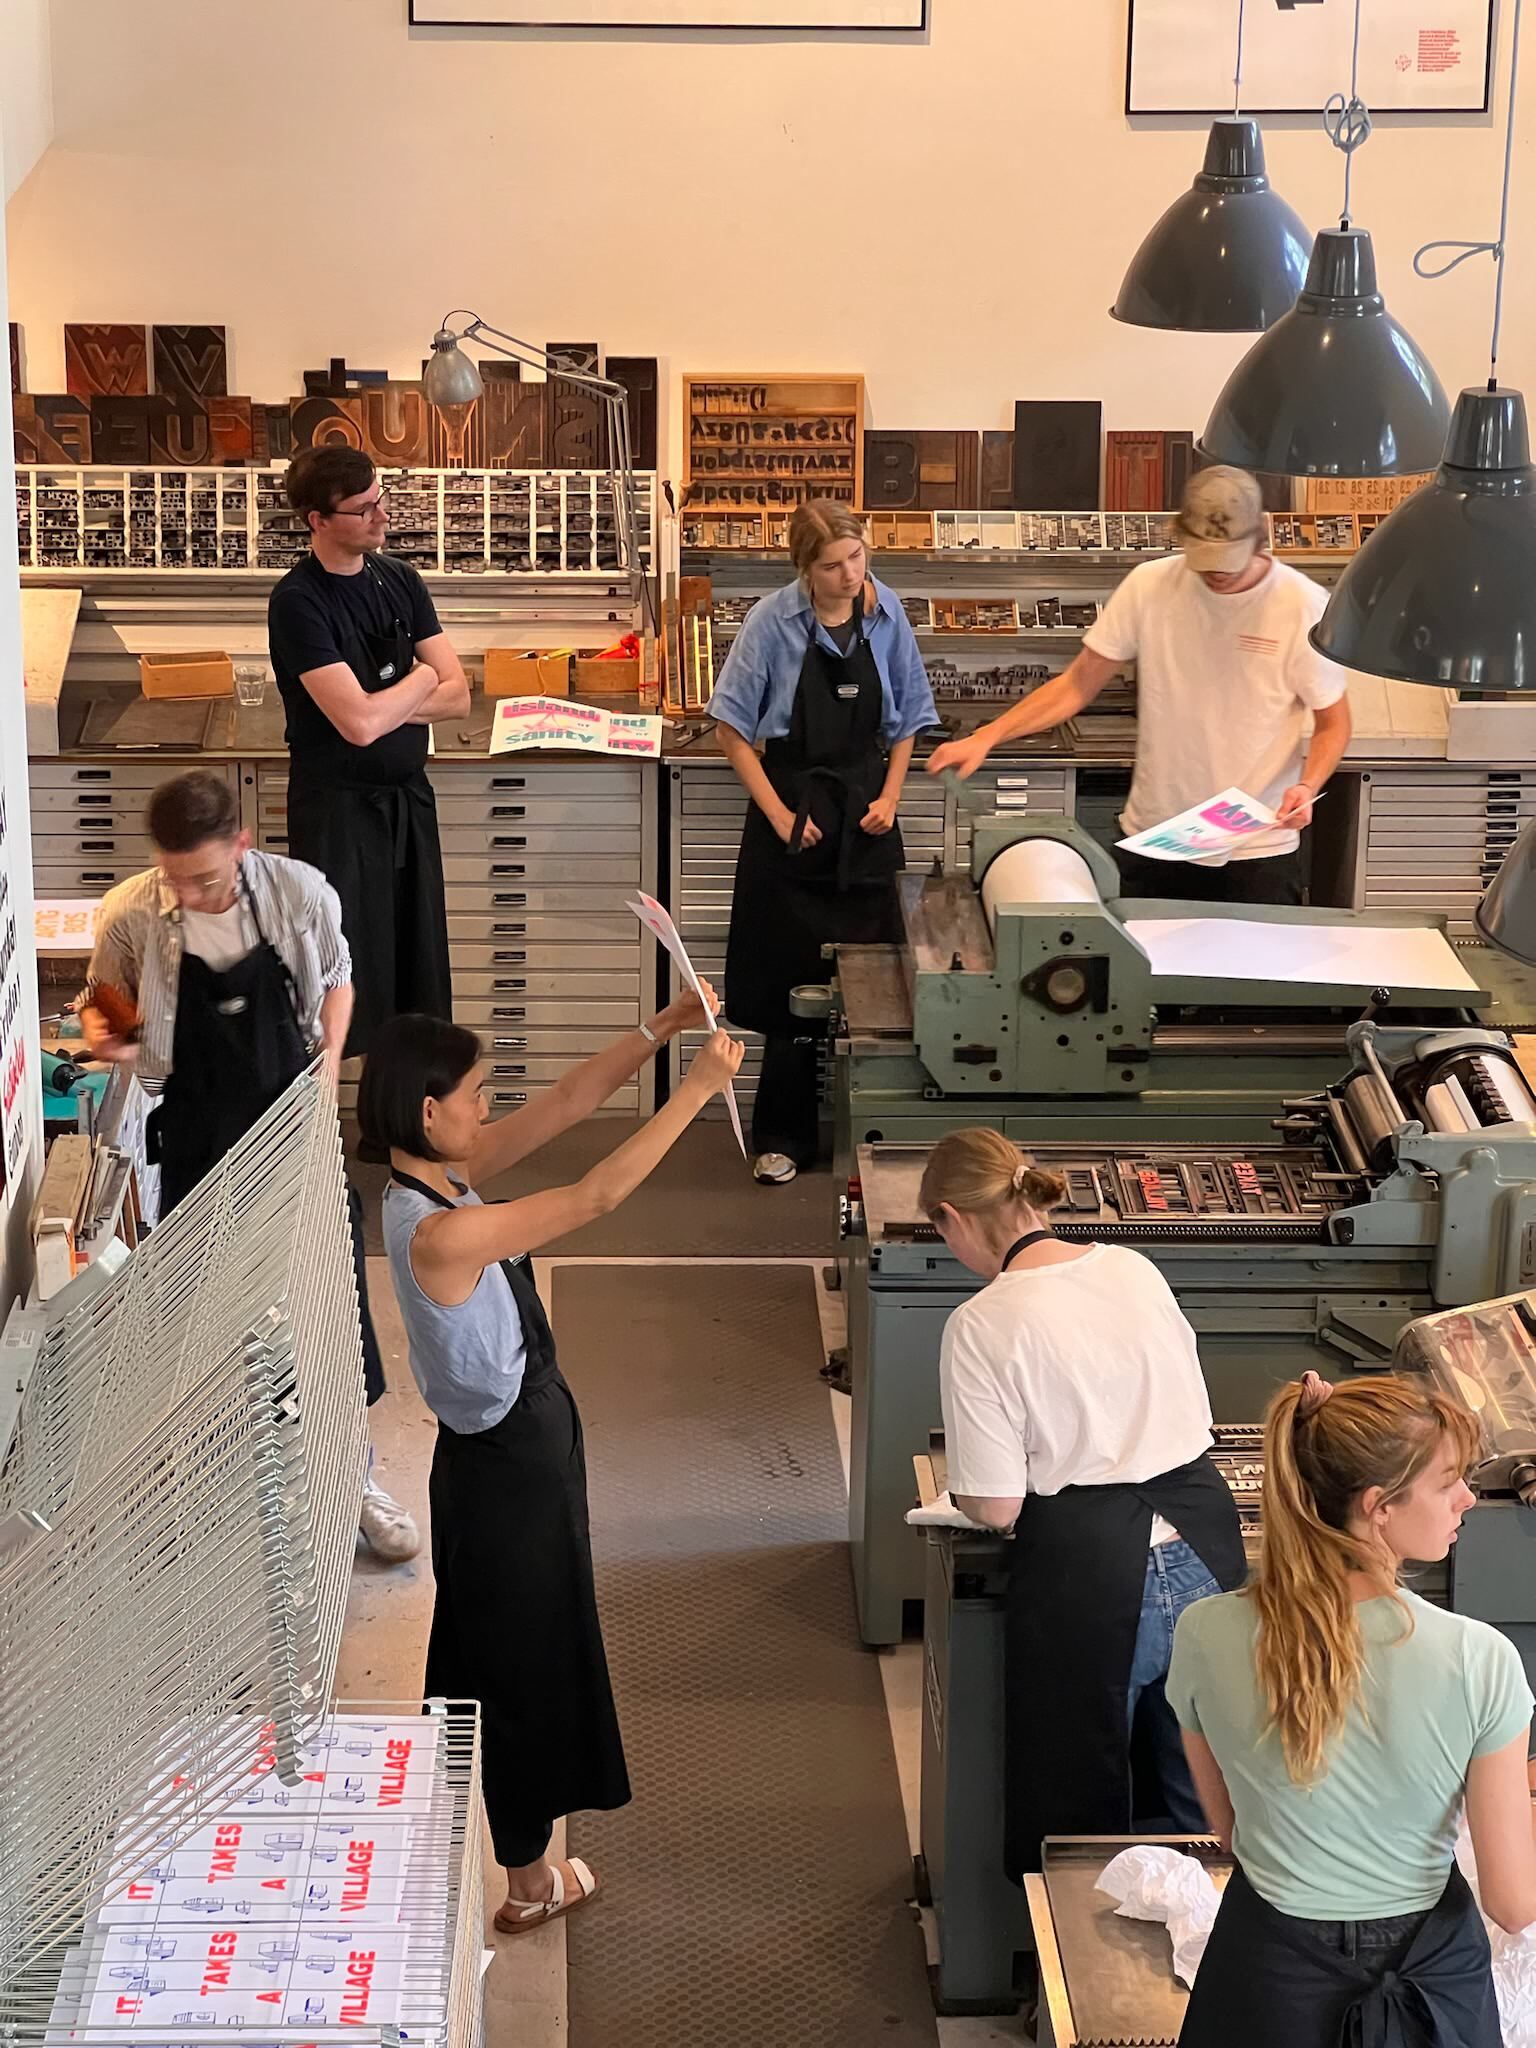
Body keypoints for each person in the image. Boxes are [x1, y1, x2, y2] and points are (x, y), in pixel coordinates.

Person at [361, 995, 743, 1933]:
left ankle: (495, 1833)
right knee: (522, 1663)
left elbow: (571, 1101)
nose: (487, 1112)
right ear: (428, 1112)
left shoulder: (436, 1177)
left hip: (521, 1441)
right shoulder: (438, 1231)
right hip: (505, 1472)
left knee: (504, 1647)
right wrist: (697, 1090)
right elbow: (594, 1197)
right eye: (477, 1096)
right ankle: (528, 1879)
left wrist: (662, 1029)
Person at [80, 769, 420, 1564]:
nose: (190, 894)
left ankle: (353, 1478)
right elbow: (104, 999)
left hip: (290, 1122)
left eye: (204, 877)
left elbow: (337, 980)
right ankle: (230, 1489)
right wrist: (123, 1046)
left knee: (325, 1304)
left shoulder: (300, 895)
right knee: (210, 1316)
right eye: (175, 878)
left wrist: (332, 1059)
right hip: (195, 1135)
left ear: (241, 844)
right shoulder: (133, 913)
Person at [1168, 1374, 1536, 2046]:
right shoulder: (1479, 1660)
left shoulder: (1203, 1632)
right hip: (1432, 1975)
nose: (1468, 1499)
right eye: (1448, 1480)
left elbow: (1230, 1831)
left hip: (1268, 1976)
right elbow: (1513, 1904)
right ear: (1377, 1507)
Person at [919, 1127, 1245, 1880]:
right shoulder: (1131, 1267)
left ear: (953, 1216)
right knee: (1206, 1787)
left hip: (1094, 1576)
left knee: (1085, 1796)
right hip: (1205, 1540)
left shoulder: (981, 1323)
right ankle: (1213, 1957)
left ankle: (1079, 1974)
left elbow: (997, 1504)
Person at [928, 466, 1353, 907]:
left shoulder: (1301, 605)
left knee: (1245, 975)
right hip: (1156, 839)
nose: (1216, 575)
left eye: (1226, 562)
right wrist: (987, 737)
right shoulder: (1150, 586)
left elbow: (1333, 722)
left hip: (1254, 850)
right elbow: (1077, 684)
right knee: (1136, 972)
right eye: (1204, 560)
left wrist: (1307, 785)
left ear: (1257, 541)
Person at [706, 499, 937, 1184]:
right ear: (803, 569)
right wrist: (779, 817)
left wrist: (893, 796)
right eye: (833, 565)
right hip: (794, 815)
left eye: (858, 559)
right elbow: (730, 731)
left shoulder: (886, 612)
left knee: (882, 986)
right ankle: (781, 1139)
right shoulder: (770, 623)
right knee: (789, 989)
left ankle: (879, 1138)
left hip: (866, 818)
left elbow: (908, 720)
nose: (849, 575)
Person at [267, 446, 470, 1058]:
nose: (382, 516)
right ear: (318, 521)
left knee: (416, 973)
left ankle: (399, 1125)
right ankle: (321, 1133)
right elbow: (356, 725)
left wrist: (389, 702)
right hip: (338, 816)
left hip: (408, 807)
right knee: (344, 977)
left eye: (380, 498)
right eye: (363, 509)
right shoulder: (299, 602)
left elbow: (459, 695)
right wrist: (419, 679)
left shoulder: (400, 580)